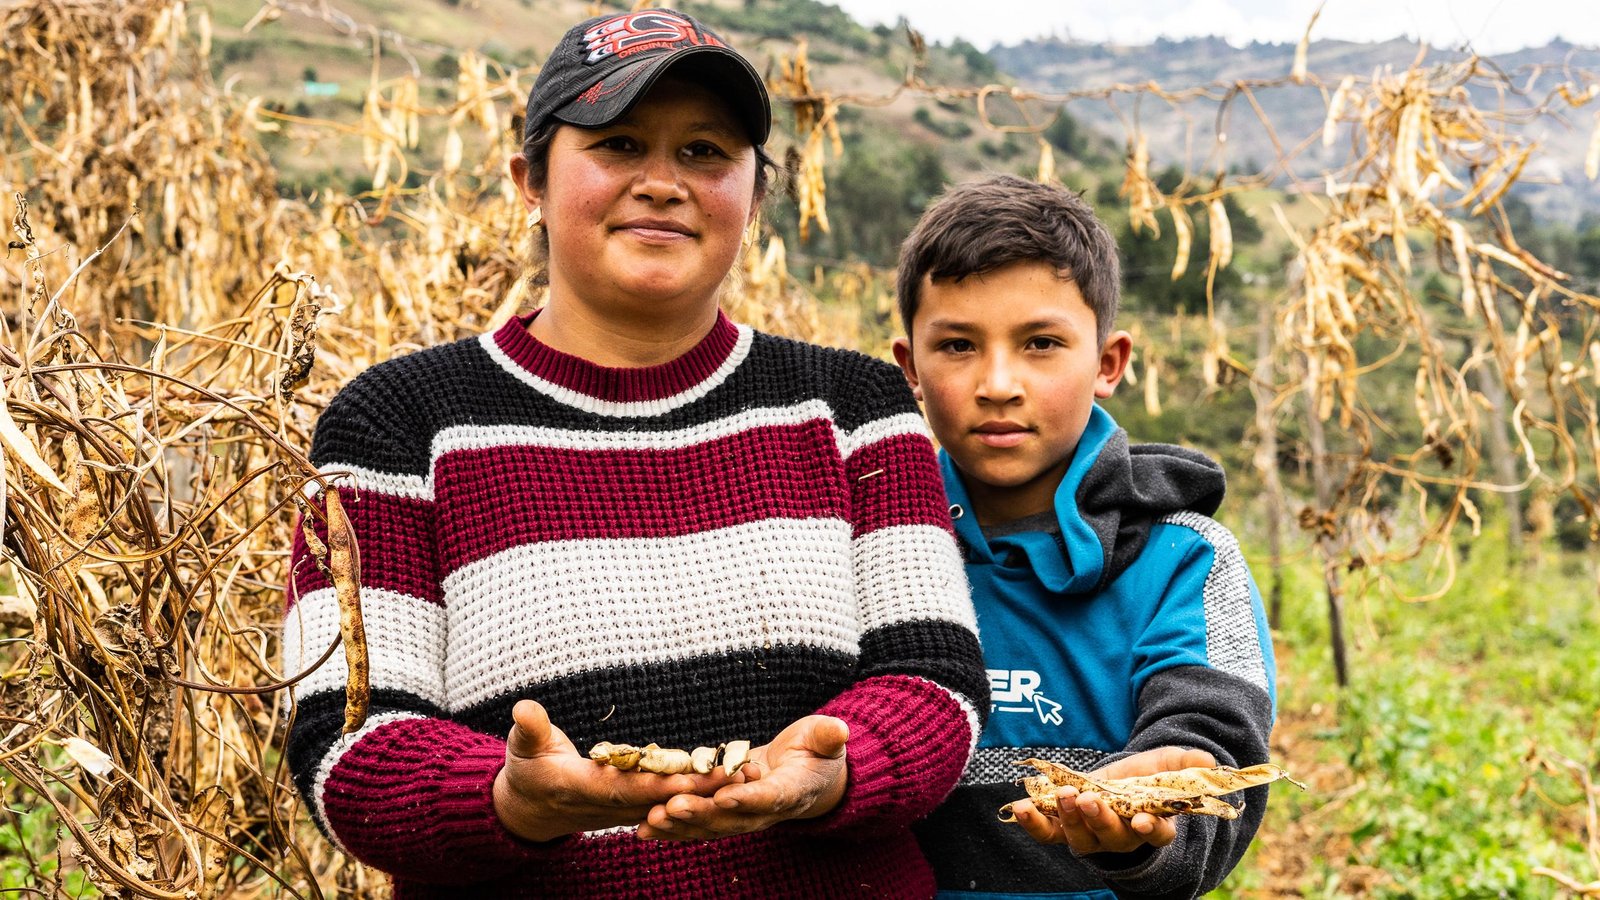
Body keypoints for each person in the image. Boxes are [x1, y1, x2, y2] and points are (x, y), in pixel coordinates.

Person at [281, 9, 987, 897]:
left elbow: (936, 683)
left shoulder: (853, 408)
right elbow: (345, 746)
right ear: (531, 182)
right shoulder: (395, 424)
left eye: (704, 151)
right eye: (617, 145)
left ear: (753, 197)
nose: (662, 183)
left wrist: (835, 770)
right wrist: (512, 799)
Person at [892, 174, 1277, 899]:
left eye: (1040, 343)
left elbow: (1211, 746)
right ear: (909, 366)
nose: (998, 383)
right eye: (958, 345)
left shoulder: (1185, 560)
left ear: (1108, 363)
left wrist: (1149, 820)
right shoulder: (878, 546)